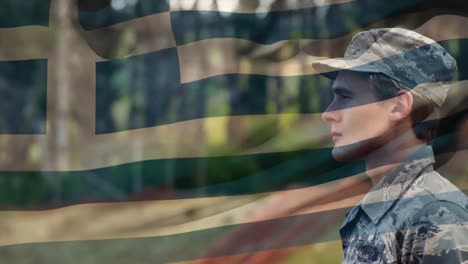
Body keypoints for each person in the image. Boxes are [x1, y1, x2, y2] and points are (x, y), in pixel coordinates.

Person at [313, 28, 468, 263]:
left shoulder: (435, 215)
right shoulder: (380, 209)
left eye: (345, 97)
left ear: (397, 106)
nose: (329, 113)